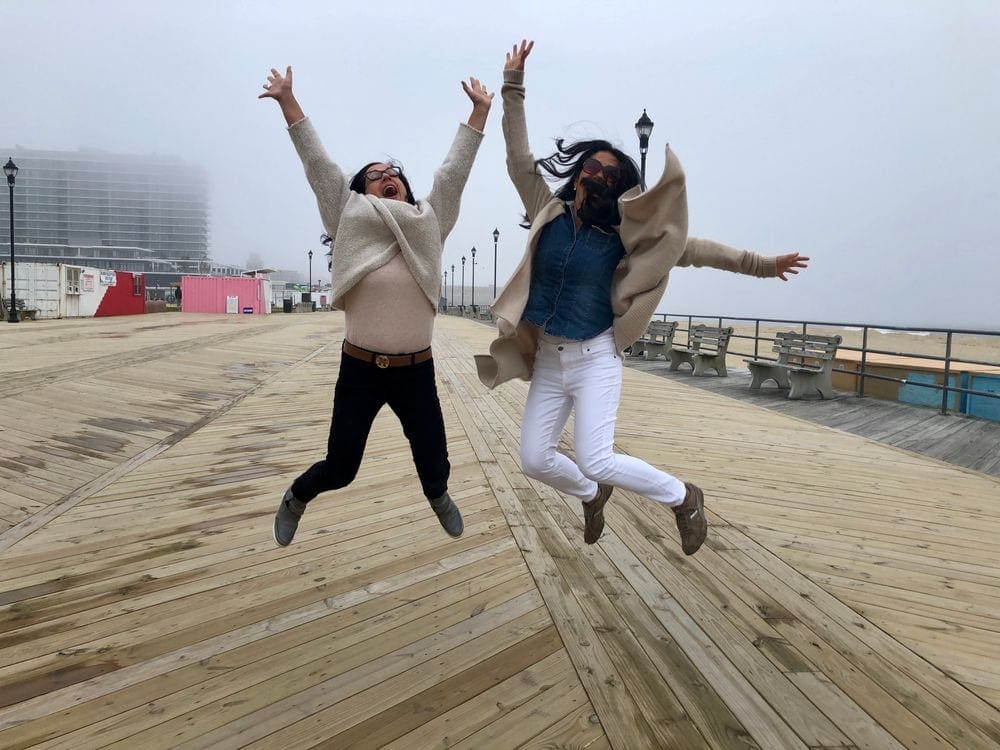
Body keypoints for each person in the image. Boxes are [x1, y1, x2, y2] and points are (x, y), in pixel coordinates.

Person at [475, 41, 808, 555]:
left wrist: (763, 265)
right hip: (546, 358)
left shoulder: (624, 239)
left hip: (593, 358)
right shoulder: (550, 210)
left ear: (622, 186)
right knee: (536, 461)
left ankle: (682, 497)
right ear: (580, 171)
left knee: (597, 456)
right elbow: (520, 161)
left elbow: (693, 250)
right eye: (595, 168)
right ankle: (591, 494)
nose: (602, 177)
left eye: (613, 175)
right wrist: (512, 87)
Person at [260, 65, 493, 546]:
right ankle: (297, 496)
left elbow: (452, 175)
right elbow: (320, 167)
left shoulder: (430, 220)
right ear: (362, 191)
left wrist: (478, 112)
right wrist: (288, 102)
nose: (387, 178)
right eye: (374, 176)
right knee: (341, 467)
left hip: (416, 369)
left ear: (405, 188)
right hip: (361, 368)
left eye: (393, 175)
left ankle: (438, 495)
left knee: (435, 459)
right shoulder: (347, 215)